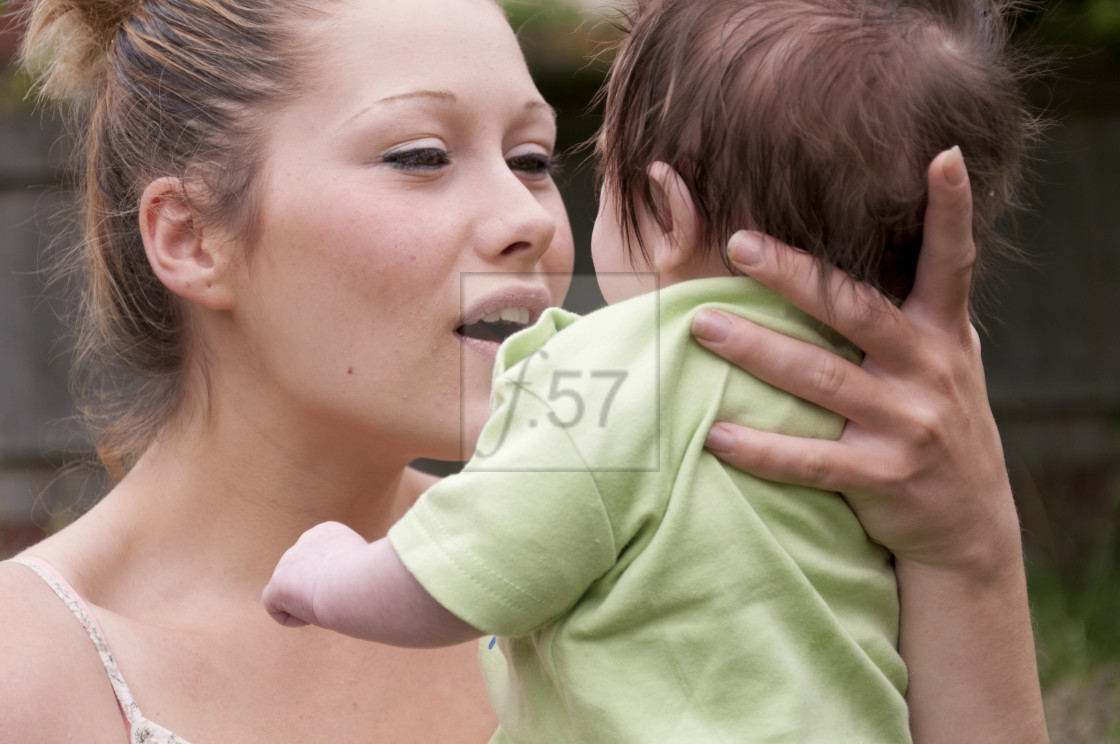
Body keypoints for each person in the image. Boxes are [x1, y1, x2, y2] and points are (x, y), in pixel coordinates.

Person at [0, 0, 1045, 741]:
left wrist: (970, 550)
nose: (527, 222)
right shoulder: (31, 672)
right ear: (190, 237)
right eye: (419, 156)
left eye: (537, 160)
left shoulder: (669, 546)